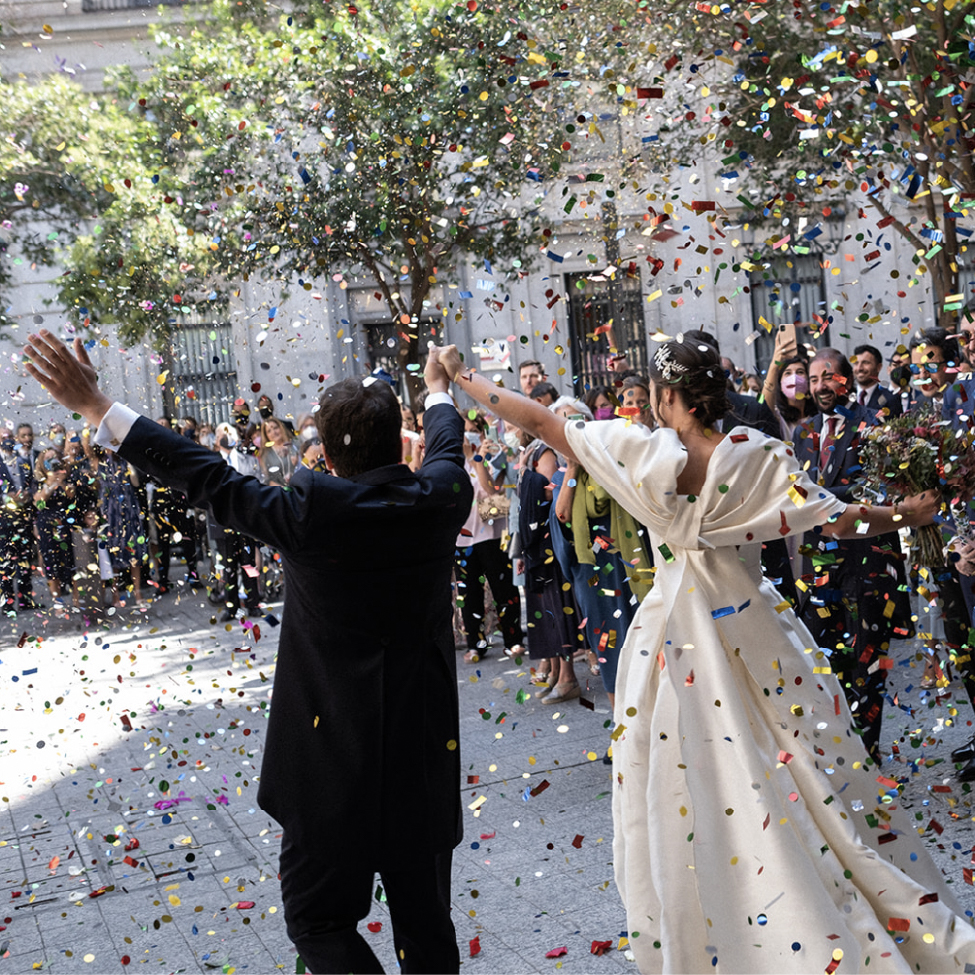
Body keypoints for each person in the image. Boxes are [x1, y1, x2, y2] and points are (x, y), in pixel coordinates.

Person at [431, 336, 975, 974]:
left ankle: (721, 924)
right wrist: (907, 515)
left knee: (686, 790)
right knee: (802, 773)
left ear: (666, 398)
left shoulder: (637, 451)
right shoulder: (758, 458)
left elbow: (544, 422)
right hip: (759, 638)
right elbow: (838, 520)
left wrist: (460, 375)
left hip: (673, 647)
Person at [24, 329, 472, 975]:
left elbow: (202, 475)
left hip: (328, 769)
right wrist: (435, 388)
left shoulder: (306, 513)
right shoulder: (441, 498)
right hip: (419, 759)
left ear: (325, 450)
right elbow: (448, 442)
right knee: (428, 935)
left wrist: (97, 406)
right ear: (396, 439)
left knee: (317, 919)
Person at [794, 349, 911, 758]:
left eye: (830, 378)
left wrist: (817, 497)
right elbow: (792, 489)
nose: (822, 386)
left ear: (846, 381)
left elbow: (874, 488)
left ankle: (869, 752)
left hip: (867, 560)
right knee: (826, 662)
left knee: (867, 662)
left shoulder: (870, 425)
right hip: (820, 563)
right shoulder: (803, 431)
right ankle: (841, 752)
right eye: (814, 379)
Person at [851, 343, 903, 417]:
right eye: (856, 363)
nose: (859, 368)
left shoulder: (891, 399)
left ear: (878, 367)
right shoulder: (845, 398)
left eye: (865, 363)